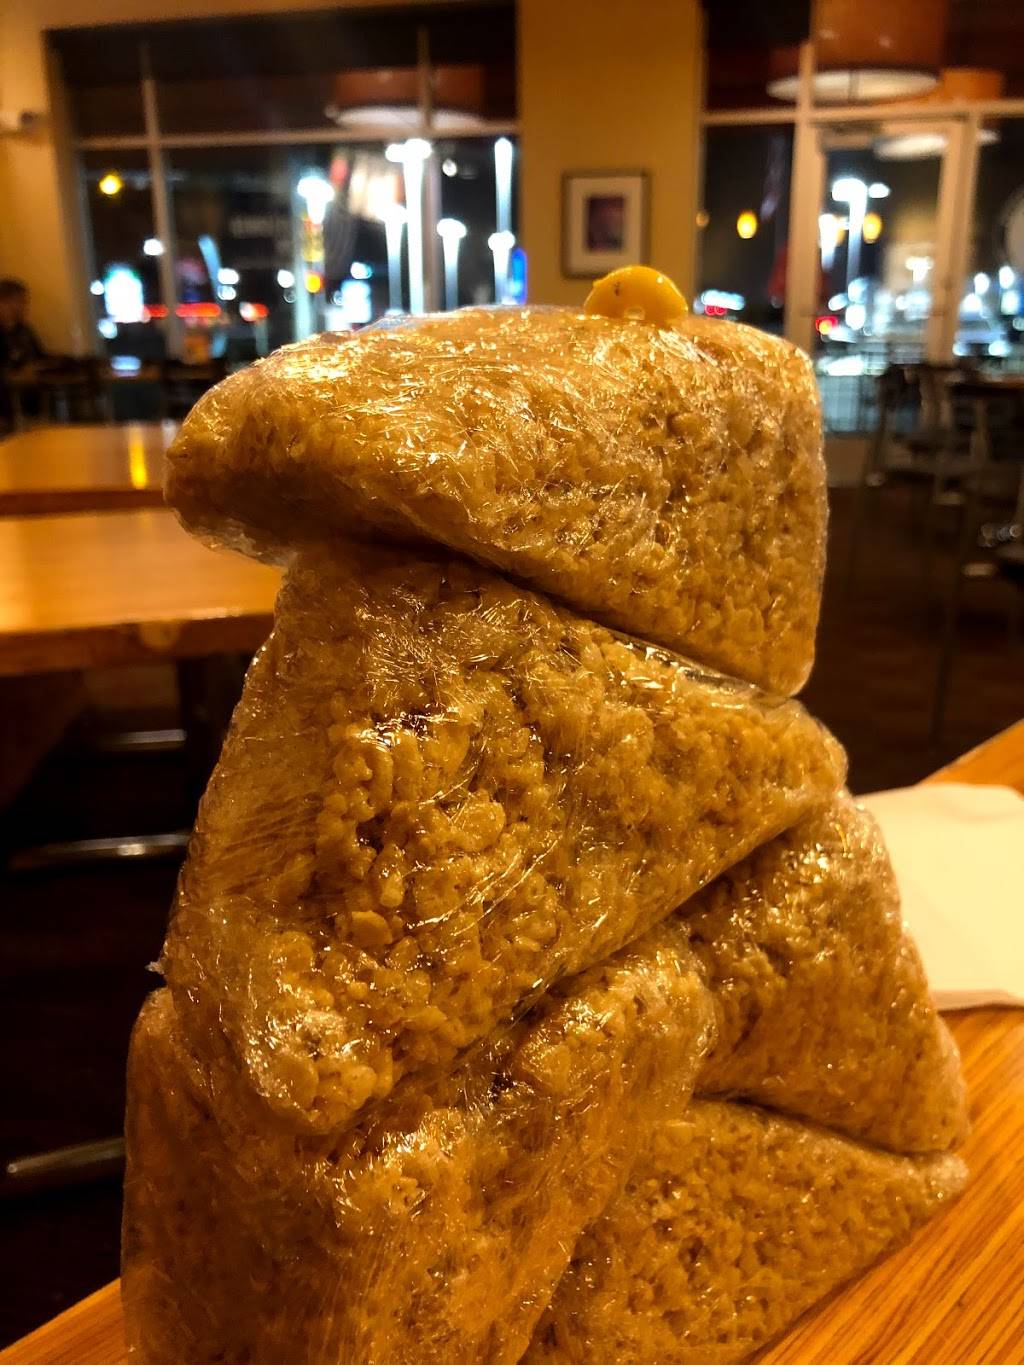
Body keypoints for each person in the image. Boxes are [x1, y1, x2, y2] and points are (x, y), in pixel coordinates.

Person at [0, 278, 46, 373]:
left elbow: (40, 357)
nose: (22, 306)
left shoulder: (24, 329)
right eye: (17, 301)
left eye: (23, 302)